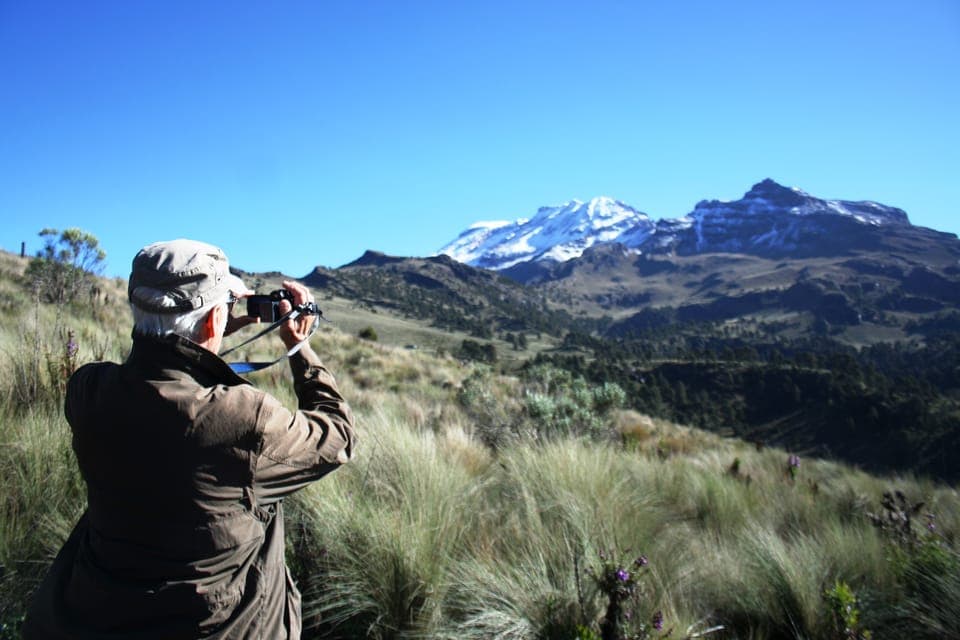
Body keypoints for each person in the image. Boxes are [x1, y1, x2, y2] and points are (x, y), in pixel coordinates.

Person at [23, 239, 355, 639]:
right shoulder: (243, 418)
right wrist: (299, 347)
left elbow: (158, 375)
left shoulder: (88, 391)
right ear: (214, 321)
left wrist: (207, 327)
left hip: (90, 619)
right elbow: (338, 435)